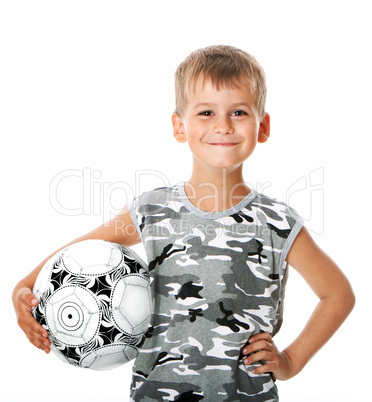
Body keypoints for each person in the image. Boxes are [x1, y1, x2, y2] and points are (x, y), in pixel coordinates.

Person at [12, 45, 355, 401]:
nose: (222, 125)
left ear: (262, 126)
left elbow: (337, 295)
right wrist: (22, 288)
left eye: (238, 112)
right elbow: (75, 255)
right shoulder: (152, 210)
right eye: (206, 112)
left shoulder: (277, 223)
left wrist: (290, 361)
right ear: (179, 126)